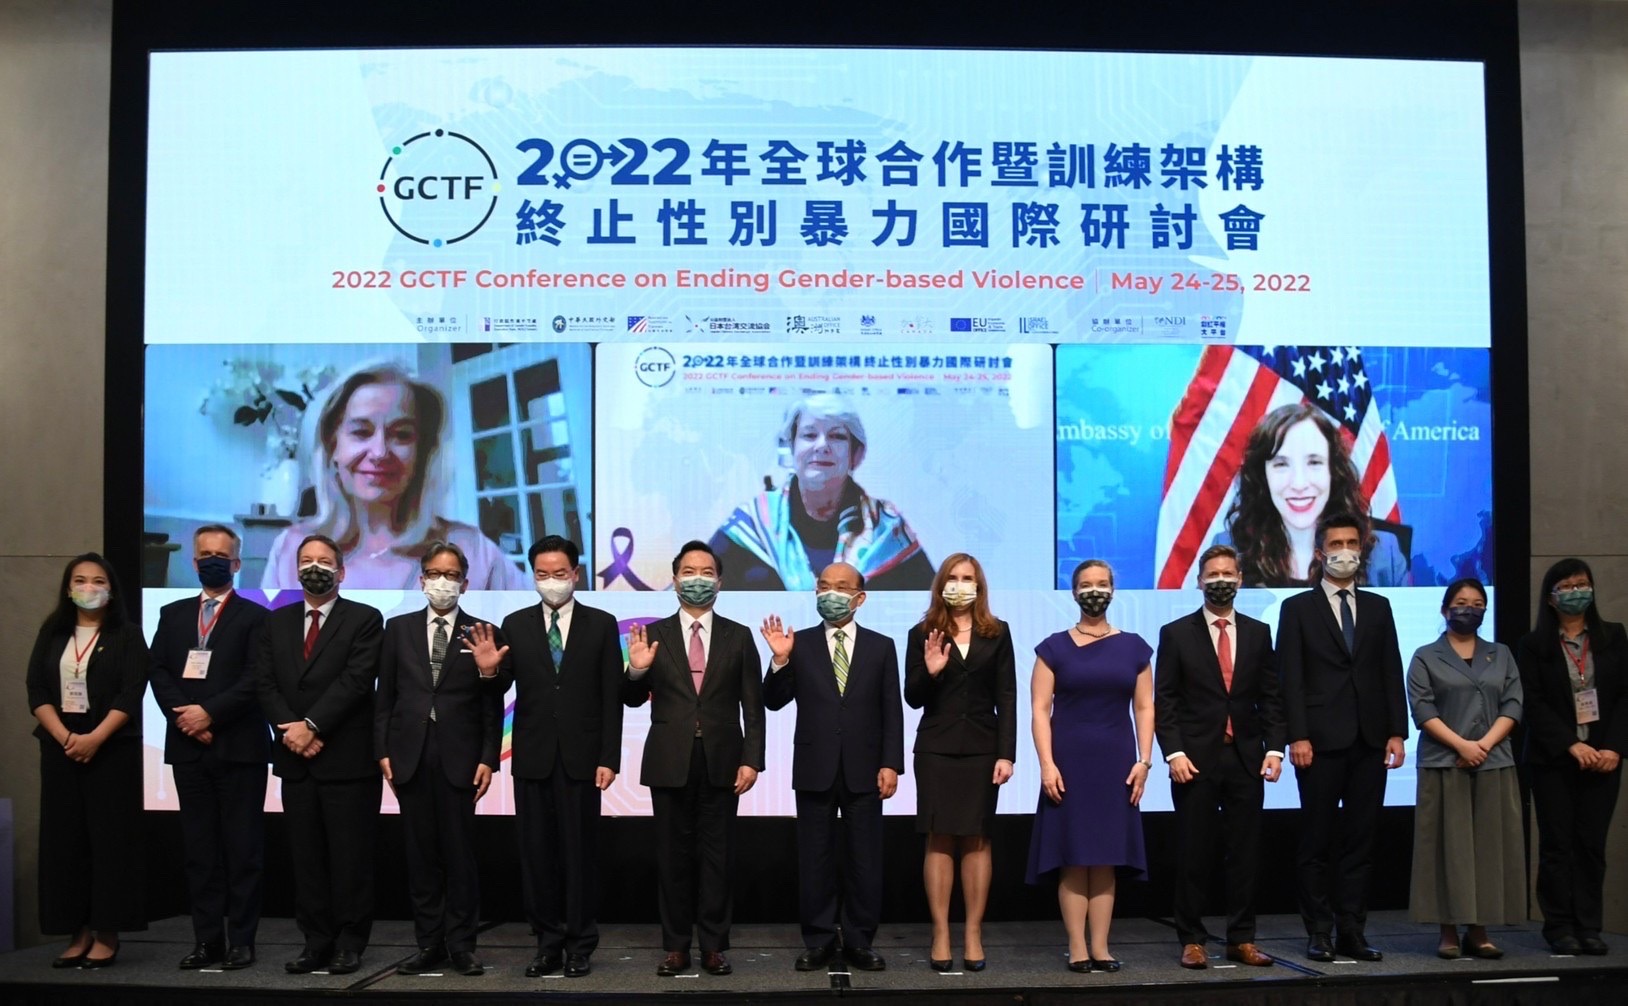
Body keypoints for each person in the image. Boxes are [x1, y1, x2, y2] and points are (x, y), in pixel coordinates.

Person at [479, 535, 624, 979]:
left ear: (576, 574)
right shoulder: (515, 623)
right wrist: (488, 670)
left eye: (559, 573)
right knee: (536, 854)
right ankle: (546, 943)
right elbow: (498, 688)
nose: (551, 581)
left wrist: (609, 757)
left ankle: (580, 943)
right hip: (533, 756)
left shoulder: (601, 624)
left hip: (583, 758)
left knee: (579, 855)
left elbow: (612, 696)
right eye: (542, 574)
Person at [623, 540, 766, 977]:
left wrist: (752, 760)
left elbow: (753, 707)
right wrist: (636, 670)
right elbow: (630, 698)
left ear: (720, 582)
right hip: (670, 759)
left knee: (718, 858)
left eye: (706, 572)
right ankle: (676, 946)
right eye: (689, 571)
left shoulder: (739, 636)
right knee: (672, 858)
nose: (697, 579)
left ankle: (714, 946)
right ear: (674, 580)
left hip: (723, 760)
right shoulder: (654, 634)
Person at [261, 359, 529, 590]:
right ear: (333, 447)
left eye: (401, 434)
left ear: (422, 452)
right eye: (361, 432)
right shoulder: (291, 551)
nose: (379, 452)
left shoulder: (471, 550)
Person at [1276, 511, 1409, 963]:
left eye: (1353, 543)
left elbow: (1390, 669)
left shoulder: (1378, 606)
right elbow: (1290, 678)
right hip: (1318, 742)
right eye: (1337, 544)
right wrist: (1297, 735)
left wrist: (1397, 732)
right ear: (1320, 552)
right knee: (1315, 841)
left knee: (1360, 841)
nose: (1346, 552)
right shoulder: (1297, 608)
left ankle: (1352, 930)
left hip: (1371, 740)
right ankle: (1319, 931)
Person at [761, 562, 904, 973]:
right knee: (815, 860)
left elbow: (891, 710)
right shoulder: (799, 643)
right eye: (823, 586)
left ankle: (859, 941)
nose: (830, 594)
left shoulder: (881, 646)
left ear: (860, 597)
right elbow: (773, 701)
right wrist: (780, 661)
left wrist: (891, 763)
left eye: (841, 587)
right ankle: (819, 939)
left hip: (866, 768)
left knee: (865, 861)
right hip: (814, 766)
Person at [254, 533, 384, 975]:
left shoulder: (365, 618)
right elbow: (265, 682)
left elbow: (357, 679)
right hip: (296, 759)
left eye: (324, 561)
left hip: (347, 759)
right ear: (295, 569)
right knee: (306, 859)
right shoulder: (275, 621)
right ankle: (315, 942)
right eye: (306, 560)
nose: (315, 567)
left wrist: (311, 725)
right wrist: (291, 729)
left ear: (341, 571)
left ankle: (350, 942)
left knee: (350, 858)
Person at [1154, 543, 1284, 970]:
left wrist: (1275, 748)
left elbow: (1271, 696)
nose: (1221, 581)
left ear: (1240, 579)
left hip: (1246, 758)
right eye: (1213, 574)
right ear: (1199, 581)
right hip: (1193, 760)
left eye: (1228, 573)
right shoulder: (1176, 633)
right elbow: (1166, 700)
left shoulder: (1258, 632)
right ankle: (1191, 939)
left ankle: (1241, 939)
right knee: (1194, 852)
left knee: (1245, 854)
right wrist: (1173, 752)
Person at [374, 541, 501, 977]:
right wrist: (382, 750)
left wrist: (489, 757)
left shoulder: (484, 632)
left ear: (465, 583)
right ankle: (428, 944)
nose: (442, 582)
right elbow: (385, 697)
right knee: (421, 857)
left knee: (460, 856)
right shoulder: (397, 628)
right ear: (421, 579)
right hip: (408, 755)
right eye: (434, 573)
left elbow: (491, 704)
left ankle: (462, 945)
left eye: (451, 575)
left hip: (461, 758)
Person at [148, 525, 270, 970]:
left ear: (236, 563)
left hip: (239, 748)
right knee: (199, 851)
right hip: (189, 749)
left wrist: (209, 714)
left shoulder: (257, 617)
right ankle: (207, 941)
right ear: (194, 560)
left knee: (243, 850)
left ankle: (241, 941)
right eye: (204, 554)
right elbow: (158, 670)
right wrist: (186, 717)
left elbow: (257, 678)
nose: (211, 561)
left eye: (221, 555)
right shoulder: (173, 613)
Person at [1026, 559, 1154, 973]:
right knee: (1074, 855)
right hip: (1069, 762)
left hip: (1116, 762)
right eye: (1086, 584)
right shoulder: (1052, 648)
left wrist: (1145, 760)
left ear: (1113, 590)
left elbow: (1145, 706)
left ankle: (1101, 946)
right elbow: (1039, 709)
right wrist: (1047, 764)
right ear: (1074, 591)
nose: (1094, 590)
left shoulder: (1134, 647)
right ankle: (1077, 947)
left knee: (1105, 856)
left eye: (1101, 583)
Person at [26, 553, 149, 968]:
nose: (89, 587)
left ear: (111, 590)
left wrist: (95, 738)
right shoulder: (53, 631)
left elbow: (131, 693)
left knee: (110, 841)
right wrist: (65, 737)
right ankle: (76, 931)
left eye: (98, 581)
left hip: (111, 748)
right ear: (68, 588)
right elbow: (36, 690)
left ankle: (107, 932)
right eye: (80, 580)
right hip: (60, 749)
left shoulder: (127, 635)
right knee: (64, 842)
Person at [903, 553, 1017, 972]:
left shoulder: (997, 632)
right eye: (953, 577)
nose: (960, 584)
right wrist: (931, 671)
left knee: (977, 839)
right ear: (941, 584)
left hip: (983, 748)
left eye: (968, 578)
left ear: (979, 586)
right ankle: (940, 933)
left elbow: (1007, 695)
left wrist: (1007, 753)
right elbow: (912, 696)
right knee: (939, 839)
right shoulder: (922, 633)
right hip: (936, 748)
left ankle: (972, 932)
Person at [1407, 577, 1524, 959]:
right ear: (1445, 609)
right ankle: (1447, 930)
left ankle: (1479, 930)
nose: (1468, 609)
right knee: (1447, 848)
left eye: (1476, 603)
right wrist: (1462, 746)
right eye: (1460, 602)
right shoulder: (1426, 655)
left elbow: (1513, 704)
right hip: (1444, 763)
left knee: (1489, 847)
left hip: (1494, 762)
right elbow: (1422, 709)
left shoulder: (1501, 654)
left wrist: (1483, 746)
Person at [709, 393, 934, 590]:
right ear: (791, 448)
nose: (822, 446)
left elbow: (932, 608)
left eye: (837, 436)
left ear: (856, 454)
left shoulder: (886, 529)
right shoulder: (753, 522)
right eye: (809, 435)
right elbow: (696, 596)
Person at [1517, 559, 1626, 955]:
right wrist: (1570, 744)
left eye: (1582, 584)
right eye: (1566, 586)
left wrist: (1614, 746)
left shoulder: (1614, 636)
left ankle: (1589, 926)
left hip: (1604, 757)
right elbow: (1533, 702)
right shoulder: (1533, 645)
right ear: (1551, 598)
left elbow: (1624, 696)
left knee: (1591, 844)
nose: (1576, 591)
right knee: (1557, 845)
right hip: (1554, 760)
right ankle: (1559, 926)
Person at [1217, 402, 1409, 587]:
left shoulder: (1384, 555)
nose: (1299, 484)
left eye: (1314, 462)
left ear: (1333, 471)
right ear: (1263, 475)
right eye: (1281, 464)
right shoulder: (1227, 550)